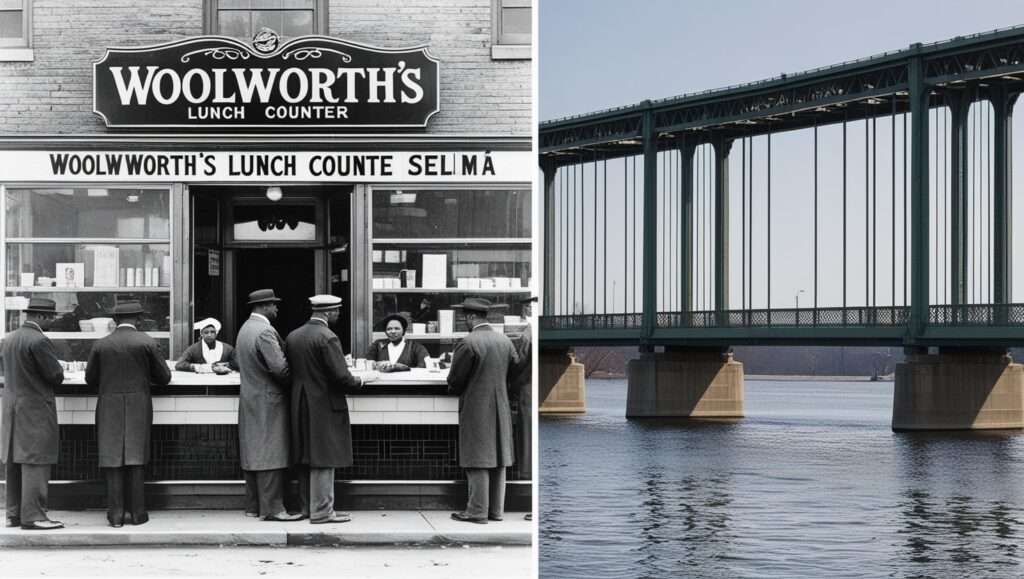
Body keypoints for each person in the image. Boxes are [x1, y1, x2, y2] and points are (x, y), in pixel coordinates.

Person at [286, 295, 378, 524]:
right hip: (325, 404)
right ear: (327, 313)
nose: (339, 315)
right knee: (324, 457)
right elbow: (341, 377)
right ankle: (323, 511)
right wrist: (363, 379)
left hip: (300, 402)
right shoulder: (328, 337)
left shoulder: (293, 335)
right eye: (337, 311)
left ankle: (308, 507)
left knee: (306, 455)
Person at [85, 300, 172, 527]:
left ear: (115, 321)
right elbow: (164, 377)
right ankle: (137, 514)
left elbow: (89, 379)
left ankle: (115, 516)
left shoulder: (101, 344)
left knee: (112, 458)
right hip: (138, 405)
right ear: (139, 319)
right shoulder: (147, 342)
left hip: (109, 405)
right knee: (136, 457)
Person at [447, 297, 519, 524]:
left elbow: (455, 380)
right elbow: (515, 369)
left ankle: (476, 511)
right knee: (499, 458)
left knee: (477, 458)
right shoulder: (505, 341)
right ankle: (496, 511)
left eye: (464, 318)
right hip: (502, 405)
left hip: (476, 407)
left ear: (470, 317)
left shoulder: (468, 342)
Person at [235, 288, 300, 522]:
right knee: (271, 453)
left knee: (254, 452)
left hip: (251, 398)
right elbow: (280, 368)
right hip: (269, 400)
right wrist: (297, 378)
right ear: (263, 306)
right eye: (274, 304)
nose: (277, 308)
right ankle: (273, 509)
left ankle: (253, 506)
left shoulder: (245, 329)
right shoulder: (265, 331)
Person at [1, 298, 65, 530]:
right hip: (35, 409)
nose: (53, 321)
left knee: (15, 461)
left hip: (12, 408)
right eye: (52, 317)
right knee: (36, 461)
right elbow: (55, 376)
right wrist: (61, 368)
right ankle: (34, 516)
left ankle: (14, 513)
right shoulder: (39, 341)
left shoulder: (9, 338)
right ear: (41, 317)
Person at [508, 296, 535, 521]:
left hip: (528, 392)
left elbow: (520, 365)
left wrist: (510, 385)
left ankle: (530, 503)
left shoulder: (528, 333)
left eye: (527, 306)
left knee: (527, 444)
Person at [365, 313, 429, 371]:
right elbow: (368, 363)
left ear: (403, 330)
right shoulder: (378, 344)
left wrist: (402, 368)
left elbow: (424, 367)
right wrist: (377, 364)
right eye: (389, 329)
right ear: (385, 331)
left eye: (397, 328)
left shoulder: (416, 347)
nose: (393, 331)